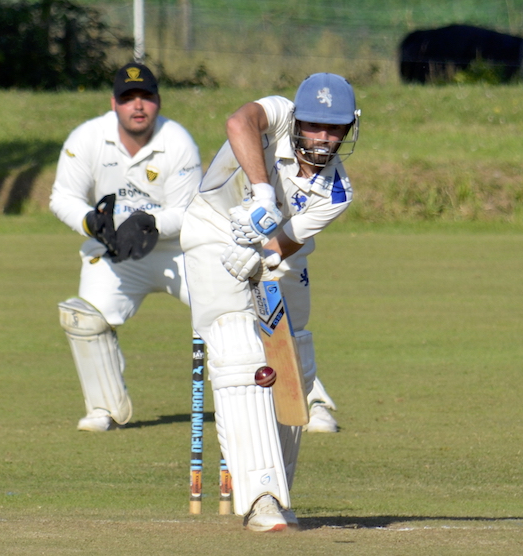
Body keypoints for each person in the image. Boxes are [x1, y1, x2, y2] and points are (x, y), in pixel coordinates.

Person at [180, 73, 360, 531]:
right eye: (315, 125)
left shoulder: (337, 192)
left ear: (349, 129)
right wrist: (262, 194)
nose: (323, 137)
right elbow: (239, 121)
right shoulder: (277, 113)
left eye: (334, 128)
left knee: (292, 361)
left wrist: (259, 253)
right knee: (240, 348)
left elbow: (286, 244)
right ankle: (260, 498)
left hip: (273, 251)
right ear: (297, 119)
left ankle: (279, 490)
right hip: (212, 232)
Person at [50, 62, 203, 430]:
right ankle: (105, 409)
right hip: (116, 251)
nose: (138, 106)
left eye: (146, 97)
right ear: (113, 103)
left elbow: (186, 213)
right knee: (85, 317)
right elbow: (62, 197)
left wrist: (150, 223)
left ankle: (305, 400)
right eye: (128, 98)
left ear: (158, 102)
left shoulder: (178, 142)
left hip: (176, 251)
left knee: (235, 310)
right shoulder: (86, 138)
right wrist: (90, 221)